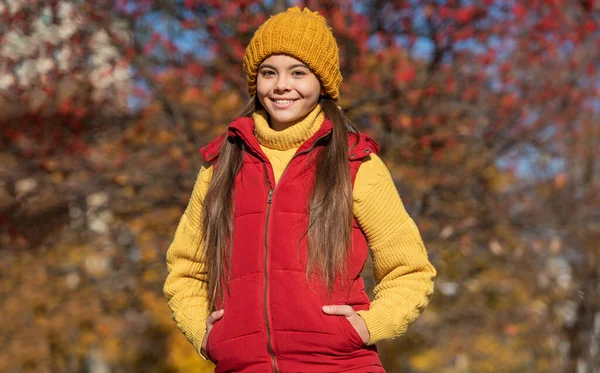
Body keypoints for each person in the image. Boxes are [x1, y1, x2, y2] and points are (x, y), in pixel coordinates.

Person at [163, 6, 436, 373]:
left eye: (298, 73)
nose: (281, 86)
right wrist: (205, 334)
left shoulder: (355, 162)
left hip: (340, 365)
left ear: (321, 82)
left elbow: (410, 269)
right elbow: (186, 269)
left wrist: (366, 326)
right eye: (268, 72)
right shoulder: (221, 164)